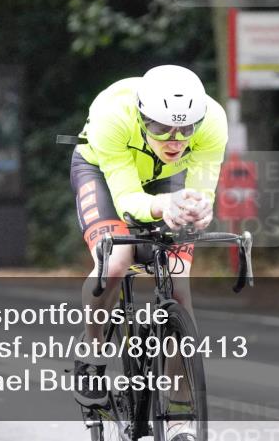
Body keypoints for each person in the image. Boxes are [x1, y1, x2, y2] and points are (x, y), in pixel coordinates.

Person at [70, 65, 227, 434]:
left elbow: (201, 190)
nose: (174, 140)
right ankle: (92, 353)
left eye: (185, 130)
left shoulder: (212, 121)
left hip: (167, 178)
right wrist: (163, 206)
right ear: (142, 118)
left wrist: (199, 209)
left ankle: (178, 408)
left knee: (178, 283)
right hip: (102, 172)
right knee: (116, 261)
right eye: (161, 128)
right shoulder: (112, 116)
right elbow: (127, 200)